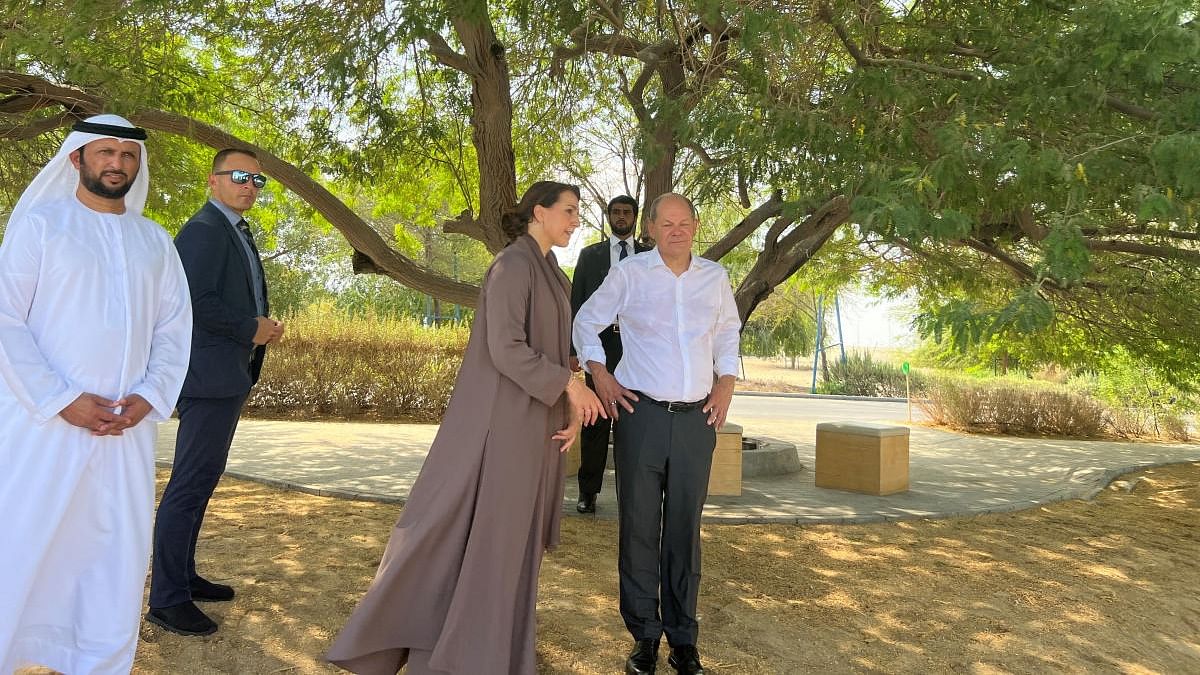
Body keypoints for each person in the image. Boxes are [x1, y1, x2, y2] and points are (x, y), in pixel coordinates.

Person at [327, 181, 606, 674]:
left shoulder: (553, 274)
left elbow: (557, 353)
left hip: (536, 425)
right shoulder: (512, 266)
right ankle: (466, 654)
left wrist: (570, 404)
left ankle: (496, 647)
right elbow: (506, 348)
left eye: (576, 211)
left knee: (516, 541)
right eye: (568, 210)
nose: (575, 219)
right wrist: (568, 384)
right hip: (503, 426)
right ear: (538, 213)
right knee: (491, 537)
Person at [0, 115, 193, 674]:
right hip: (43, 426)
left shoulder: (154, 240)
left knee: (113, 550)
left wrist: (148, 397)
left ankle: (100, 660)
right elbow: (6, 321)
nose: (117, 163)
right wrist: (62, 398)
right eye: (105, 152)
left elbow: (173, 330)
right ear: (77, 160)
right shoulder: (41, 226)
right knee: (25, 539)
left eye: (128, 155)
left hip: (124, 431)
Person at [573, 193, 741, 675]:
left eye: (685, 222)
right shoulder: (630, 273)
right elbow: (586, 321)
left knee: (685, 531)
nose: (676, 231)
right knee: (640, 529)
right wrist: (601, 375)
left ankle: (684, 641)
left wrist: (726, 382)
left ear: (696, 225)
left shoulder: (715, 277)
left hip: (697, 421)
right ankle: (644, 636)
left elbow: (728, 331)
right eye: (667, 224)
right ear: (651, 227)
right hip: (641, 416)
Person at [146, 148, 284, 636]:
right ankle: (166, 599)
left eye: (257, 180)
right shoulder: (204, 231)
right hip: (206, 377)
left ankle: (183, 577)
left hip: (226, 375)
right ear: (213, 180)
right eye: (239, 176)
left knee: (201, 481)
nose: (249, 185)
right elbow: (193, 302)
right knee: (188, 486)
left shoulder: (230, 228)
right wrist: (251, 327)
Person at [570, 195, 650, 513]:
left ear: (635, 217)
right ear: (608, 217)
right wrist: (572, 350)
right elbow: (577, 304)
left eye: (626, 213)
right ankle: (587, 493)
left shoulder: (649, 256)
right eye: (615, 212)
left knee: (633, 421)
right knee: (596, 421)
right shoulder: (590, 256)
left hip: (637, 350)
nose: (620, 217)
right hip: (597, 348)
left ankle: (632, 496)